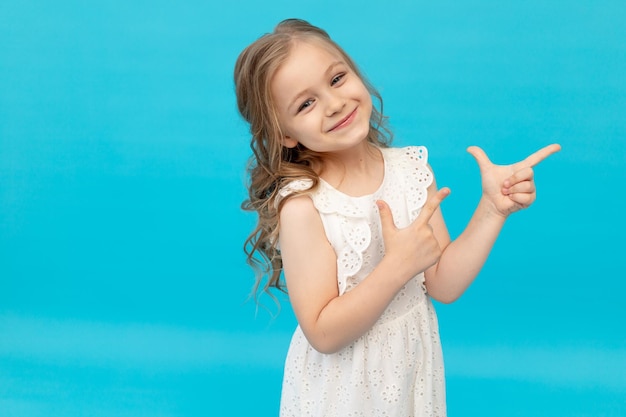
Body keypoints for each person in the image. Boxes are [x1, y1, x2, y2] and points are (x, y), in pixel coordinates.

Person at [234, 18, 560, 417]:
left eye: (337, 79)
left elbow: (442, 284)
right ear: (285, 134)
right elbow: (321, 331)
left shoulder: (410, 171)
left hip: (408, 369)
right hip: (342, 388)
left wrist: (491, 209)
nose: (334, 103)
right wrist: (396, 266)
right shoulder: (304, 206)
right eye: (306, 103)